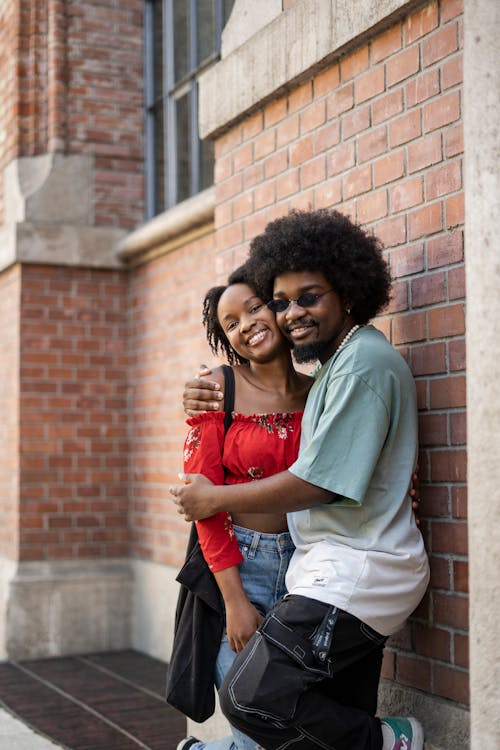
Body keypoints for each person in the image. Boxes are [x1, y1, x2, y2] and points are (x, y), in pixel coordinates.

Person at [170, 209, 430, 750]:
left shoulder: (346, 370)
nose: (290, 314)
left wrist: (214, 496)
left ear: (347, 290)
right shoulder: (237, 384)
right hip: (284, 564)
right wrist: (234, 597)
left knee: (251, 702)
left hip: (348, 565)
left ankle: (390, 742)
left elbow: (323, 479)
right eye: (283, 300)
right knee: (302, 718)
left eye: (306, 298)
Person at [176, 265, 313, 750]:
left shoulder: (319, 392)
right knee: (257, 733)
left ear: (277, 309)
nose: (246, 324)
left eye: (254, 307)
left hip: (309, 565)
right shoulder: (218, 388)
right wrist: (234, 601)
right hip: (239, 568)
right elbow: (203, 505)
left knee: (291, 728)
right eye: (230, 322)